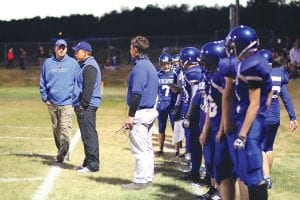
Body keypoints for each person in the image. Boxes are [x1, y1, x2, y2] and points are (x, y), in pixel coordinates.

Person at [225, 25, 272, 200]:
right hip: (246, 121)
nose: (230, 49)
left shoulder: (253, 64)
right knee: (244, 170)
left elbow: (254, 104)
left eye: (232, 45)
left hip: (251, 125)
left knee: (253, 172)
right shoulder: (246, 64)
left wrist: (243, 135)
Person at [121, 35, 158, 190]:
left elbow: (137, 94)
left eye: (131, 47)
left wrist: (130, 116)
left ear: (135, 49)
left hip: (141, 113)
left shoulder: (141, 67)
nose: (130, 50)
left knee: (139, 149)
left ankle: (140, 181)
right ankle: (147, 178)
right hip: (149, 111)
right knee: (147, 148)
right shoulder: (149, 64)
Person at [258, 49, 298, 189]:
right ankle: (267, 175)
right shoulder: (279, 73)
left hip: (261, 115)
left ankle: (266, 178)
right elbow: (285, 97)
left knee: (259, 147)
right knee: (268, 147)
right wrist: (293, 117)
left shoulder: (257, 74)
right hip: (274, 117)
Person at [39, 39, 80, 163]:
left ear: (67, 49)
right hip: (52, 102)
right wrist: (45, 97)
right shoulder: (47, 63)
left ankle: (63, 153)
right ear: (55, 48)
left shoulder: (73, 63)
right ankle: (60, 151)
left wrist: (76, 97)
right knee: (56, 127)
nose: (61, 49)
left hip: (68, 102)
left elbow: (79, 82)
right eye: (59, 47)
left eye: (64, 47)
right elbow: (43, 82)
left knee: (64, 127)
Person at [72, 41, 102, 173]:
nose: (75, 53)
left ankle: (92, 165)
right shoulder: (85, 65)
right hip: (86, 106)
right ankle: (87, 162)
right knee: (86, 135)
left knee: (89, 135)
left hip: (87, 106)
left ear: (86, 53)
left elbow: (87, 89)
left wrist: (82, 106)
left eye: (78, 51)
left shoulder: (89, 67)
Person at [155, 53, 177, 156]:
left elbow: (179, 90)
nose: (165, 66)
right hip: (162, 103)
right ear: (160, 64)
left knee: (175, 127)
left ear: (171, 64)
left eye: (167, 64)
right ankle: (160, 148)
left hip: (172, 103)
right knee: (161, 127)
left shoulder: (174, 74)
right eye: (163, 64)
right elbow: (155, 90)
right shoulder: (157, 74)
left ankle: (177, 150)